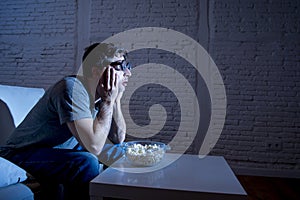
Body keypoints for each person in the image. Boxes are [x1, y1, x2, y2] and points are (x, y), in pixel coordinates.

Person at [0, 43, 132, 199]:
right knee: (86, 162)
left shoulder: (100, 95)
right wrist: (108, 100)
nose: (128, 72)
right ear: (97, 71)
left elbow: (118, 138)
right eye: (121, 66)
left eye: (128, 65)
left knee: (122, 152)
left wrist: (116, 100)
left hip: (57, 152)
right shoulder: (72, 88)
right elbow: (95, 146)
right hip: (21, 154)